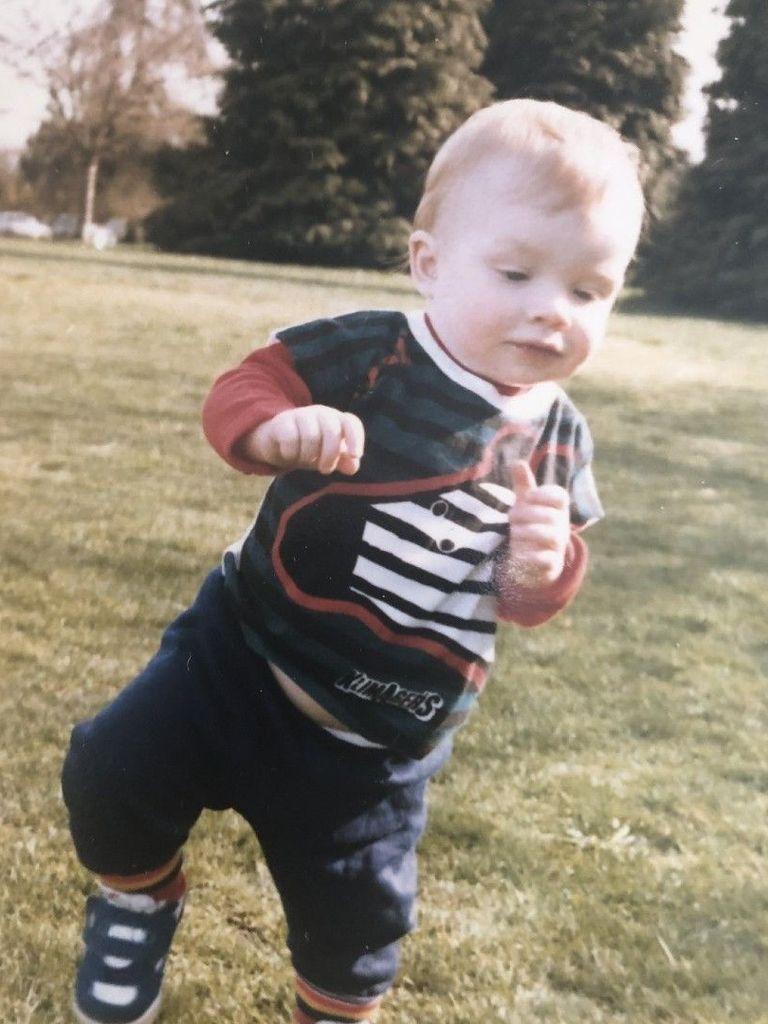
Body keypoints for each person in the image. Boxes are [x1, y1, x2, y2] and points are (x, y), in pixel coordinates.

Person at [62, 98, 645, 1024]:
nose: (551, 310)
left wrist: (541, 568)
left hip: (376, 740)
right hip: (237, 655)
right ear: (429, 263)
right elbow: (246, 387)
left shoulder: (559, 438)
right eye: (516, 273)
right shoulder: (374, 353)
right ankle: (139, 901)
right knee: (111, 771)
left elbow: (524, 597)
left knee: (358, 929)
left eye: (588, 291)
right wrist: (273, 429)